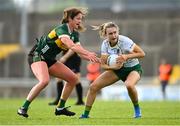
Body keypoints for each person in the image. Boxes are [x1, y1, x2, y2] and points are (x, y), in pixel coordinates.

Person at [17, 7, 100, 118]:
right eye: (77, 18)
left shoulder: (74, 34)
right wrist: (88, 53)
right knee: (44, 81)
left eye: (81, 19)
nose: (80, 21)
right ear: (70, 19)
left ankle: (60, 108)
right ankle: (23, 108)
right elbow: (71, 46)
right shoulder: (62, 29)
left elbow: (79, 52)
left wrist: (96, 59)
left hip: (49, 59)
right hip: (37, 55)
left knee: (73, 79)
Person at [80, 22, 145, 119]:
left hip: (133, 68)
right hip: (118, 70)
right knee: (93, 87)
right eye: (110, 33)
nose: (113, 35)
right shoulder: (105, 45)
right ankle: (85, 115)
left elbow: (142, 54)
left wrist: (126, 57)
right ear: (106, 35)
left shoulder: (125, 41)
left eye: (115, 32)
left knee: (129, 85)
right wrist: (114, 68)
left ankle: (137, 111)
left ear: (118, 32)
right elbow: (103, 65)